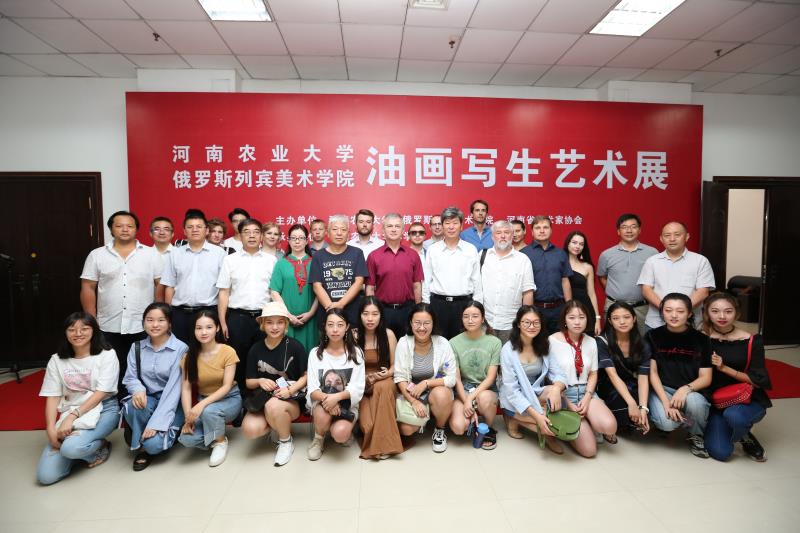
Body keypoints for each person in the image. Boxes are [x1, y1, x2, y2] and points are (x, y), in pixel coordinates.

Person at [80, 210, 161, 394]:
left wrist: (159, 317)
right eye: (119, 226)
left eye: (129, 226)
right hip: (107, 323)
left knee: (143, 367)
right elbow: (88, 287)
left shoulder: (151, 254)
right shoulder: (97, 255)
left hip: (142, 323)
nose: (125, 229)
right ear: (111, 229)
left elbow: (160, 286)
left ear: (136, 229)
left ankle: (140, 403)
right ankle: (115, 404)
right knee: (111, 368)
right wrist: (91, 320)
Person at [37, 312, 119, 485]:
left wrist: (72, 417)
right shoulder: (56, 360)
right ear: (65, 333)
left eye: (84, 328)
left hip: (104, 409)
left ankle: (99, 447)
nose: (78, 333)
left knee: (70, 448)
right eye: (72, 329)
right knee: (46, 476)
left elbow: (102, 392)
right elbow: (52, 396)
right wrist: (50, 428)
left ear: (94, 331)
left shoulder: (107, 355)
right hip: (71, 408)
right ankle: (79, 447)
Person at [702, 292, 772, 462]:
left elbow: (758, 380)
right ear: (707, 313)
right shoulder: (701, 338)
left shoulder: (751, 341)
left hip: (745, 399)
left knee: (734, 416)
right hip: (716, 401)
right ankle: (735, 430)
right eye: (715, 311)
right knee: (721, 453)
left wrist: (724, 368)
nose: (722, 316)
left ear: (737, 313)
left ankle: (744, 434)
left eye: (728, 311)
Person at [121, 302, 187, 471]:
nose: (155, 325)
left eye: (161, 320)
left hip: (172, 403)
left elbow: (174, 390)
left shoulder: (180, 349)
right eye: (150, 320)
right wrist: (138, 389)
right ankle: (144, 443)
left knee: (153, 446)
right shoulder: (136, 347)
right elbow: (130, 377)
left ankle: (150, 437)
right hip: (148, 399)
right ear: (143, 322)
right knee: (134, 405)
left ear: (169, 323)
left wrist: (156, 423)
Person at [241, 301, 308, 467]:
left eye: (280, 322)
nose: (275, 327)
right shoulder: (255, 349)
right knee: (250, 430)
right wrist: (260, 380)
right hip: (263, 400)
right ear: (263, 325)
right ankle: (277, 427)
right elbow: (249, 382)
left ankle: (286, 442)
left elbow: (306, 377)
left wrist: (290, 390)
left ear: (286, 324)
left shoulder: (295, 346)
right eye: (269, 322)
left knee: (274, 406)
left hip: (289, 401)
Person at [646, 292, 712, 458]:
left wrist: (685, 389)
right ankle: (689, 421)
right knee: (667, 424)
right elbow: (652, 372)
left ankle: (695, 433)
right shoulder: (652, 336)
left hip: (691, 392)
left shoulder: (702, 340)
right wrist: (666, 403)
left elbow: (706, 377)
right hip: (662, 389)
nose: (674, 315)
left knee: (696, 403)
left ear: (689, 313)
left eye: (680, 311)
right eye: (668, 310)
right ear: (662, 312)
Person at [548, 300, 618, 457]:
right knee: (590, 451)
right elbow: (549, 377)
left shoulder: (591, 341)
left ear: (587, 319)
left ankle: (588, 421)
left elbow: (593, 373)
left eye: (581, 317)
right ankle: (578, 426)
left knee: (610, 427)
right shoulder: (552, 341)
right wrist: (568, 403)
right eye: (572, 317)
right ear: (564, 320)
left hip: (587, 391)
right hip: (565, 394)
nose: (577, 322)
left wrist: (587, 397)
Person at [499, 306, 570, 454]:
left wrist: (556, 388)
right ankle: (519, 421)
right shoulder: (508, 349)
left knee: (558, 394)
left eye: (536, 322)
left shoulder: (544, 344)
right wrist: (537, 415)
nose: (532, 326)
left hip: (535, 390)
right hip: (513, 395)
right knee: (548, 422)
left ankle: (520, 420)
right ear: (518, 324)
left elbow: (559, 374)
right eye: (526, 322)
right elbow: (512, 390)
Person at [216, 218, 276, 395]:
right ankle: (240, 400)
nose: (251, 236)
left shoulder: (271, 260)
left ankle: (262, 399)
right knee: (238, 359)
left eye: (256, 232)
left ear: (261, 236)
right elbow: (224, 292)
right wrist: (223, 322)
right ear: (240, 235)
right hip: (238, 318)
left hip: (264, 318)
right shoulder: (230, 260)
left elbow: (274, 292)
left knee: (264, 359)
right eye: (247, 232)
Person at [178, 310, 242, 467]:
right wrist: (188, 417)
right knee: (186, 439)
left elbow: (227, 386)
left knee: (209, 411)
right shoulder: (189, 356)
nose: (204, 332)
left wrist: (200, 405)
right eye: (199, 328)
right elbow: (186, 389)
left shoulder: (227, 351)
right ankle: (214, 433)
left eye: (209, 327)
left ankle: (220, 441)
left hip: (229, 399)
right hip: (204, 403)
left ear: (217, 328)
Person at [394, 303, 457, 453]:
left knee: (442, 394)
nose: (422, 328)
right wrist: (414, 401)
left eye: (426, 323)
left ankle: (439, 429)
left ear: (433, 323)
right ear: (411, 323)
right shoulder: (403, 343)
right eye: (417, 323)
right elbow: (400, 377)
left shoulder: (442, 343)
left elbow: (451, 378)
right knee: (407, 430)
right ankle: (424, 416)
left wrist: (426, 383)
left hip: (434, 390)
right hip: (412, 392)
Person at [306, 309, 366, 461]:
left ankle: (340, 431)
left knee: (340, 434)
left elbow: (358, 387)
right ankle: (319, 438)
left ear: (347, 327)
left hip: (347, 404)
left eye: (340, 325)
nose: (335, 329)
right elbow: (313, 389)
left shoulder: (356, 352)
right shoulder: (315, 353)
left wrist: (336, 398)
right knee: (321, 414)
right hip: (322, 403)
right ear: (324, 327)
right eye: (330, 325)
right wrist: (329, 401)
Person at [160, 210, 227, 345]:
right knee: (180, 351)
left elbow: (223, 289)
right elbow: (169, 286)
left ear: (206, 230)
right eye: (190, 227)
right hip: (180, 314)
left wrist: (222, 319)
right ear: (184, 231)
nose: (194, 230)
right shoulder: (175, 253)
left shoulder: (219, 254)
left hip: (208, 312)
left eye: (199, 227)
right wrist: (169, 316)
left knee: (206, 352)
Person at [638, 221, 715, 330]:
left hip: (690, 325)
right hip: (656, 324)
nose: (672, 239)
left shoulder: (700, 261)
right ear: (661, 239)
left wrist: (682, 311)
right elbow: (646, 290)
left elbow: (703, 291)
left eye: (677, 235)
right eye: (667, 235)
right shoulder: (652, 261)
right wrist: (666, 310)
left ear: (687, 237)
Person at [423, 206, 483, 339]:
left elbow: (477, 281)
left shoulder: (470, 250)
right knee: (438, 342)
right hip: (438, 305)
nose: (451, 227)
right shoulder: (433, 250)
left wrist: (477, 308)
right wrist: (426, 306)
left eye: (455, 223)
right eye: (447, 223)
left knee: (463, 343)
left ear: (461, 226)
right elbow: (426, 280)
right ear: (442, 226)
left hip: (464, 305)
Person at [448, 301, 501, 449]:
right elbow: (457, 378)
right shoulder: (453, 342)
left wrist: (470, 399)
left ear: (483, 318)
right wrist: (466, 400)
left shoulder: (495, 342)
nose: (470, 320)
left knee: (484, 398)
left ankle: (487, 429)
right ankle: (471, 420)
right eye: (466, 316)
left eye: (475, 316)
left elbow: (491, 378)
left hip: (485, 389)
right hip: (462, 389)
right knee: (459, 428)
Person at [355, 296, 403, 459]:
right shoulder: (353, 335)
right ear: (360, 315)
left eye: (375, 314)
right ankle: (380, 443)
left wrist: (386, 374)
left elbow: (395, 366)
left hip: (384, 380)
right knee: (367, 426)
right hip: (361, 384)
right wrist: (365, 378)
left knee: (383, 386)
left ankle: (386, 446)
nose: (370, 318)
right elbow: (348, 369)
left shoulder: (388, 334)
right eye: (366, 314)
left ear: (381, 315)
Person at [597, 214, 657, 335]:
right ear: (618, 231)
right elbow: (602, 277)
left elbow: (656, 279)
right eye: (624, 227)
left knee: (642, 341)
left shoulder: (652, 253)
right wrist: (617, 292)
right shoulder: (607, 254)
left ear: (639, 230)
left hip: (642, 308)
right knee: (614, 340)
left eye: (633, 227)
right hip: (614, 305)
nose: (629, 230)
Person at [596, 302, 651, 435]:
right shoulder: (602, 341)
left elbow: (643, 377)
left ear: (634, 318)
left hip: (630, 383)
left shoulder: (642, 344)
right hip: (608, 384)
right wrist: (631, 403)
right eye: (616, 318)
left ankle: (632, 421)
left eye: (626, 317)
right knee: (623, 404)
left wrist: (643, 408)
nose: (622, 322)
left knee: (647, 407)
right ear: (610, 321)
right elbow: (612, 375)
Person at [366, 213, 424, 338]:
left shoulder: (413, 255)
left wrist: (418, 310)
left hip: (408, 310)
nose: (393, 229)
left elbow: (417, 286)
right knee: (384, 345)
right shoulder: (373, 256)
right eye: (389, 226)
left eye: (397, 226)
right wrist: (372, 312)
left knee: (408, 345)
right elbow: (369, 288)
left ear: (403, 230)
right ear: (383, 230)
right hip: (383, 310)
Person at [480, 220, 535, 344]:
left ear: (512, 235)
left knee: (510, 356)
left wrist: (525, 321)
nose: (503, 236)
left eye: (507, 232)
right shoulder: (483, 256)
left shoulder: (523, 260)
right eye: (498, 233)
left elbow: (528, 292)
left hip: (512, 323)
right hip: (485, 322)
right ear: (492, 236)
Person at [310, 214, 368, 327]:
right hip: (326, 315)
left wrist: (341, 304)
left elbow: (359, 282)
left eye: (343, 229)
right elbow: (317, 286)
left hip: (352, 314)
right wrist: (331, 309)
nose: (339, 233)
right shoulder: (318, 256)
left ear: (348, 233)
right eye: (335, 229)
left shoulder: (357, 253)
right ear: (328, 233)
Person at [270, 224, 320, 353]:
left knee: (310, 353)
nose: (297, 241)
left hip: (310, 318)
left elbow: (320, 291)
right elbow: (274, 292)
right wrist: (288, 315)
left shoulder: (315, 262)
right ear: (288, 240)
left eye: (301, 238)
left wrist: (311, 313)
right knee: (287, 355)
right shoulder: (281, 264)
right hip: (286, 318)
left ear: (307, 240)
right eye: (293, 238)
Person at [521, 215, 572, 334]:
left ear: (551, 230)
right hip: (535, 309)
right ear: (532, 232)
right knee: (537, 343)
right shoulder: (523, 254)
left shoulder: (560, 253)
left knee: (559, 341)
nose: (542, 231)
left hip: (559, 309)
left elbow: (565, 281)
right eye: (538, 228)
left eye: (545, 227)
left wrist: (569, 306)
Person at [564, 231, 602, 335]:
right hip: (564, 309)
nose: (577, 246)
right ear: (568, 243)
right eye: (574, 242)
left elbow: (592, 294)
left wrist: (597, 319)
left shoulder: (587, 267)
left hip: (585, 310)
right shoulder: (559, 264)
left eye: (581, 244)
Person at [149, 216, 175, 302]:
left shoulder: (181, 255)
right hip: (149, 303)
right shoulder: (143, 255)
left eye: (166, 229)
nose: (162, 232)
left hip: (176, 304)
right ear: (150, 233)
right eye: (157, 229)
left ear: (172, 234)